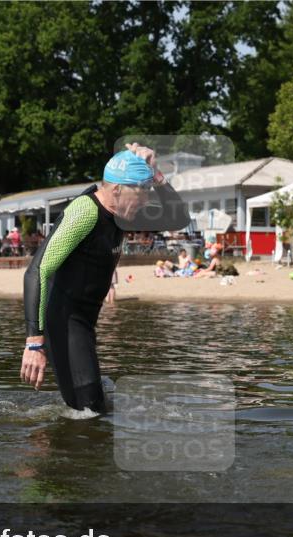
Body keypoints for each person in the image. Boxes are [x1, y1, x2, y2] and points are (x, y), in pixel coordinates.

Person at [20, 144, 189, 413]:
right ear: (117, 189)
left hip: (85, 321)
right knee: (90, 411)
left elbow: (178, 218)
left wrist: (155, 173)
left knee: (91, 408)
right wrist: (34, 343)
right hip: (63, 320)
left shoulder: (124, 214)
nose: (145, 201)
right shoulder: (85, 212)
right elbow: (37, 271)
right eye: (141, 193)